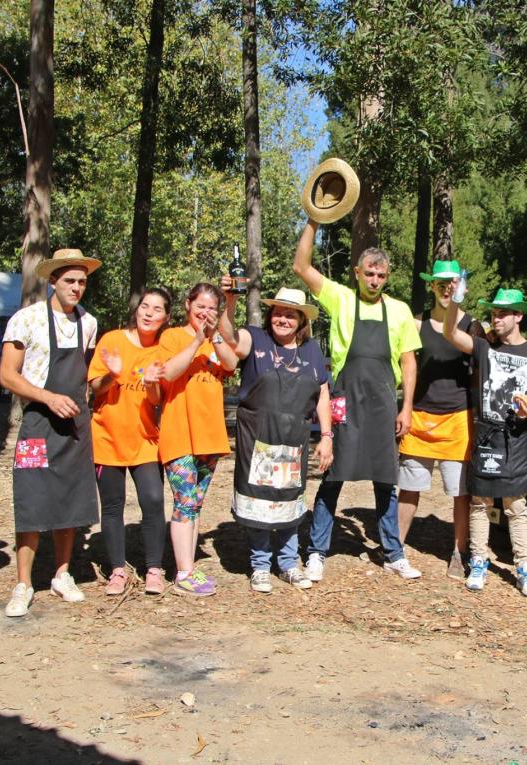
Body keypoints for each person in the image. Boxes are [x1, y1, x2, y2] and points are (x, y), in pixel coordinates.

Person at [292, 219, 422, 581]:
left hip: (382, 402)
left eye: (381, 275)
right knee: (333, 476)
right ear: (357, 273)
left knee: (386, 480)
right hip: (344, 399)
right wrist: (314, 221)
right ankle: (317, 551)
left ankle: (394, 553)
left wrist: (407, 406)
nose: (374, 280)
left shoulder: (399, 311)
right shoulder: (340, 297)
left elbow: (409, 361)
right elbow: (301, 266)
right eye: (369, 273)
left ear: (388, 277)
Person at [0, 249, 102, 617]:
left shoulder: (88, 322)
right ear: (53, 282)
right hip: (38, 424)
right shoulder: (25, 320)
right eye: (70, 281)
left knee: (71, 498)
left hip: (74, 423)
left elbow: (87, 374)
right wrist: (48, 398)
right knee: (31, 497)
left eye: (82, 282)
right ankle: (23, 583)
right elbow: (7, 375)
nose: (77, 288)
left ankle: (62, 573)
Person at [219, 281, 333, 593]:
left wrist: (326, 435)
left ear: (302, 322)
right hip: (257, 435)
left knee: (289, 498)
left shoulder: (312, 351)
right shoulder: (256, 339)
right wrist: (229, 301)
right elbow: (228, 336)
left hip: (293, 439)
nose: (282, 319)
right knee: (258, 497)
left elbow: (323, 395)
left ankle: (288, 562)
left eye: (290, 315)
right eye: (278, 313)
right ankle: (259, 565)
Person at [443, 286, 527, 598]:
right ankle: (478, 562)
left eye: (503, 313)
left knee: (516, 506)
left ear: (519, 316)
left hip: (516, 437)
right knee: (480, 504)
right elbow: (450, 332)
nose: (496, 318)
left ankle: (524, 569)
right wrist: (456, 301)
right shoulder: (483, 348)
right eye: (493, 313)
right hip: (486, 435)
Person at [397, 260, 483, 578]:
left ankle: (460, 553)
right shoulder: (416, 324)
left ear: (459, 286)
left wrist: (477, 419)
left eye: (452, 283)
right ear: (431, 286)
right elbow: (406, 367)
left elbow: (478, 377)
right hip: (419, 417)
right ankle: (395, 547)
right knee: (408, 487)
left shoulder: (473, 325)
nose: (446, 289)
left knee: (460, 492)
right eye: (440, 283)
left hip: (458, 419)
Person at [87, 287, 171, 596]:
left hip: (146, 440)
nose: (149, 313)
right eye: (145, 306)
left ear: (166, 317)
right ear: (136, 310)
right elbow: (96, 388)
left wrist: (150, 384)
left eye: (157, 309)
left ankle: (153, 569)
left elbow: (158, 400)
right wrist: (113, 374)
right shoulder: (112, 341)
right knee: (112, 506)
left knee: (152, 500)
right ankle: (118, 571)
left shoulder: (162, 350)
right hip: (106, 438)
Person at [158, 283, 238, 596]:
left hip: (210, 436)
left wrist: (214, 336)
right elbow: (168, 373)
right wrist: (196, 341)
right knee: (185, 501)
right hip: (179, 434)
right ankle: (183, 573)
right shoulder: (173, 336)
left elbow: (231, 365)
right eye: (200, 306)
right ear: (188, 305)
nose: (204, 313)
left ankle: (187, 565)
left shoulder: (215, 342)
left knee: (196, 504)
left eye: (211, 309)